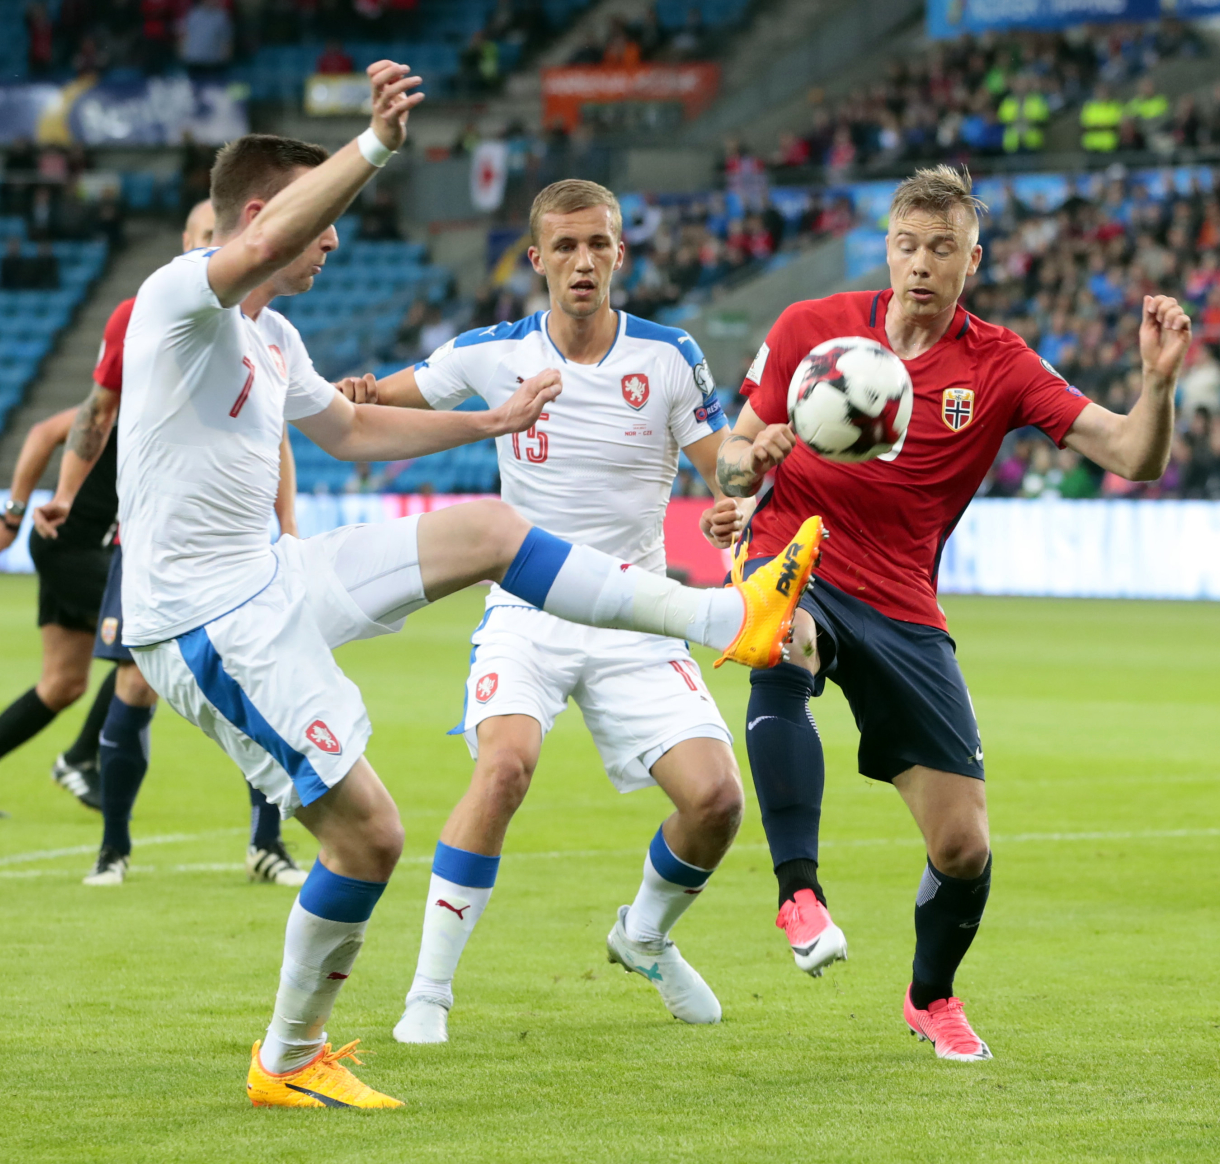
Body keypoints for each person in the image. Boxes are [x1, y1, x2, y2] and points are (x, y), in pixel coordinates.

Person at [107, 63, 819, 1110]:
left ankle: (725, 614)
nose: (335, 241)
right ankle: (289, 1057)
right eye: (322, 223)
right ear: (267, 216)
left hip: (273, 576)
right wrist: (376, 147)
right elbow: (254, 247)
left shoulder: (273, 334)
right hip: (205, 621)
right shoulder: (176, 301)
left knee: (490, 526)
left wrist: (488, 425)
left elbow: (349, 431)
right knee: (370, 836)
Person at [712, 164, 1190, 1061]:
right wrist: (755, 451)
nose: (921, 264)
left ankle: (931, 998)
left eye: (942, 249)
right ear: (885, 249)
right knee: (788, 639)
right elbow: (730, 464)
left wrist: (1158, 385)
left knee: (964, 847)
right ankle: (798, 891)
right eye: (906, 245)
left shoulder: (999, 364)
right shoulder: (810, 332)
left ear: (974, 259)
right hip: (795, 554)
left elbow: (1133, 455)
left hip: (901, 599)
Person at [339, 179, 747, 1044]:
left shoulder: (669, 356)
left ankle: (643, 936)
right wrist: (351, 391)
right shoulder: (490, 354)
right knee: (504, 768)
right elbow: (381, 398)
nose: (583, 261)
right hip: (527, 612)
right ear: (537, 261)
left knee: (715, 801)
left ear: (621, 253)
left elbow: (726, 470)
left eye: (599, 244)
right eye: (565, 247)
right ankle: (429, 993)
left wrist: (738, 492)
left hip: (637, 614)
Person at [32, 199, 308, 888]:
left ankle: (266, 844)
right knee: (135, 684)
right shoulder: (148, 310)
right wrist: (65, 492)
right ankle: (113, 849)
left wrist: (291, 528)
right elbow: (97, 410)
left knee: (260, 690)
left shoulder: (269, 333)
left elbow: (278, 438)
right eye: (205, 238)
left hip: (240, 550)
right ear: (190, 244)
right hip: (152, 543)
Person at [0, 400, 129, 816]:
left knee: (63, 684)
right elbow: (43, 431)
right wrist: (12, 515)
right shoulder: (126, 404)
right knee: (151, 644)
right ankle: (80, 759)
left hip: (78, 548)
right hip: (73, 547)